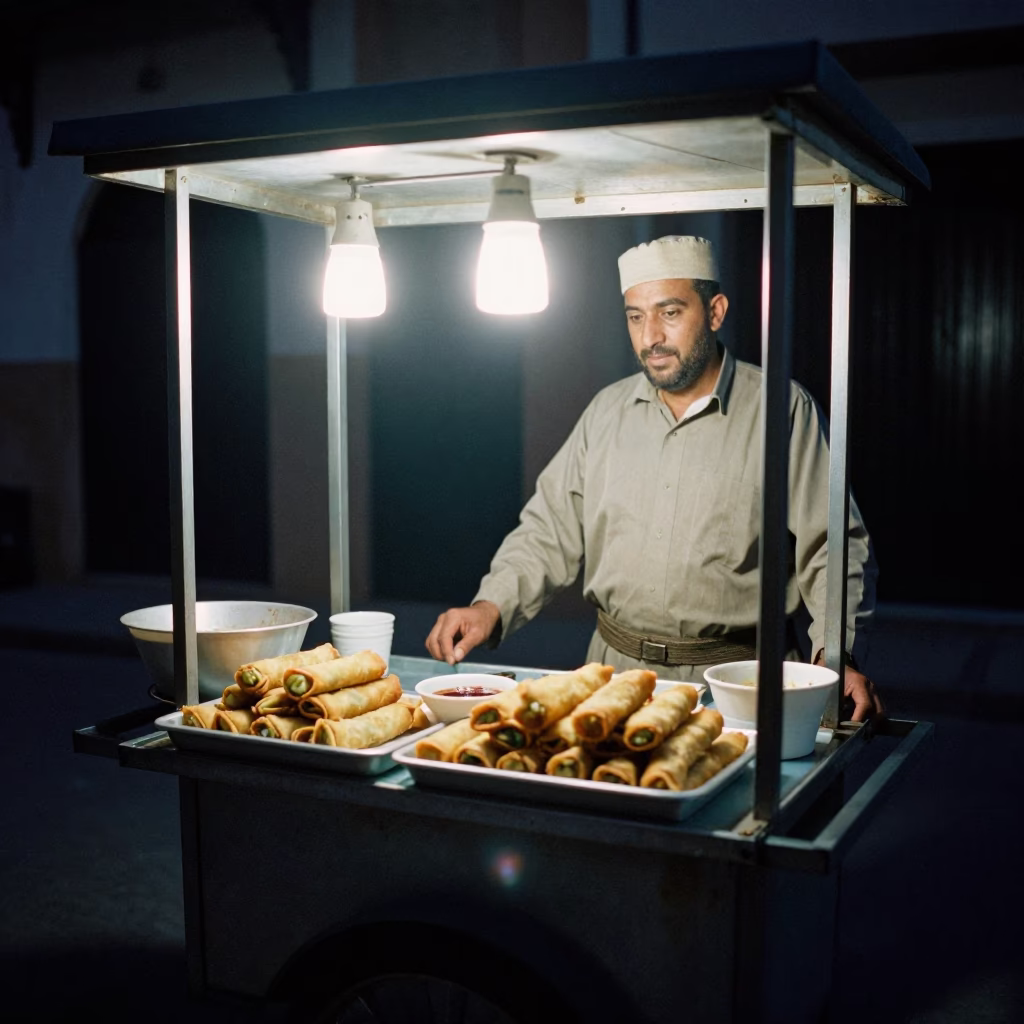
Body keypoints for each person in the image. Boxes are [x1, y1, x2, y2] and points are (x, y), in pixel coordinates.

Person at [425, 235, 883, 721]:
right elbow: (547, 530)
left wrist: (837, 656)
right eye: (635, 316)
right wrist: (490, 605)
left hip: (739, 683)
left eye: (669, 312)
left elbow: (833, 546)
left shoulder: (783, 411)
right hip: (612, 677)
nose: (651, 338)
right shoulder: (606, 412)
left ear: (715, 311)